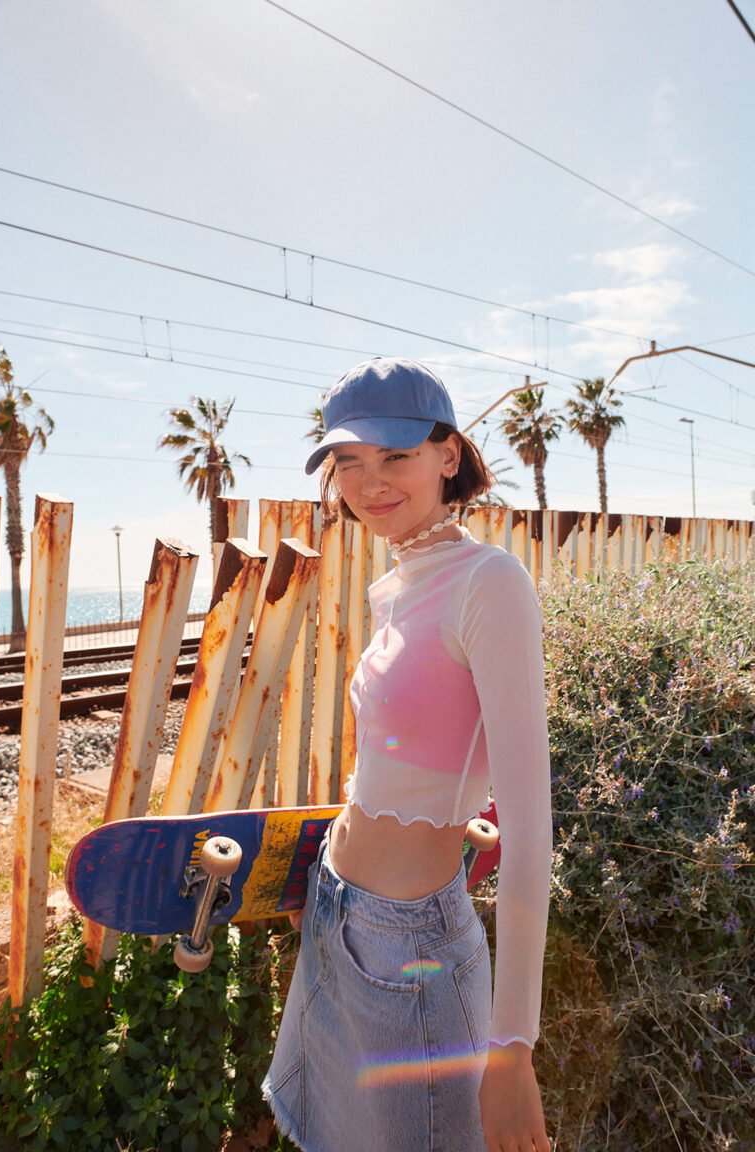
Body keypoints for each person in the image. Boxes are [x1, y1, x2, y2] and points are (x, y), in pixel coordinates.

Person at [263, 357, 552, 1152]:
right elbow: (397, 761)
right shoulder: (400, 580)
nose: (369, 484)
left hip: (409, 947)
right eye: (348, 463)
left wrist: (512, 1048)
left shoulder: (487, 582)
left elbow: (531, 827)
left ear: (448, 455)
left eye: (395, 457)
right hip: (338, 914)